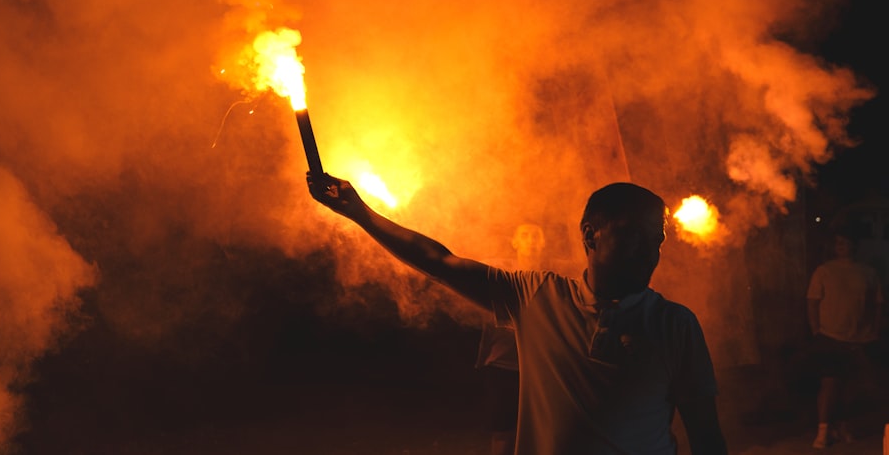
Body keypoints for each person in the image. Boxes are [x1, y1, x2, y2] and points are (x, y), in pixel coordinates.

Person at [308, 173, 727, 454]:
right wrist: (359, 212)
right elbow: (439, 261)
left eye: (656, 238)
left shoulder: (675, 325)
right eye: (632, 234)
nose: (649, 249)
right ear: (589, 235)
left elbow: (706, 435)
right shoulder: (537, 296)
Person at [806, 229, 884, 449]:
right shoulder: (824, 271)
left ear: (854, 246)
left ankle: (842, 426)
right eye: (838, 243)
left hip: (860, 338)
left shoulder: (867, 272)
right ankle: (823, 431)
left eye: (846, 243)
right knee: (829, 383)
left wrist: (874, 330)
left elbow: (877, 304)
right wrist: (815, 330)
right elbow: (812, 301)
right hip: (831, 335)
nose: (842, 246)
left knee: (852, 385)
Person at [474, 224, 547, 455]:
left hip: (541, 367)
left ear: (543, 243)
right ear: (514, 242)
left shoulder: (552, 280)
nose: (531, 240)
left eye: (536, 235)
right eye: (524, 235)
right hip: (502, 364)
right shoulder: (500, 273)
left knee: (541, 432)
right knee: (503, 431)